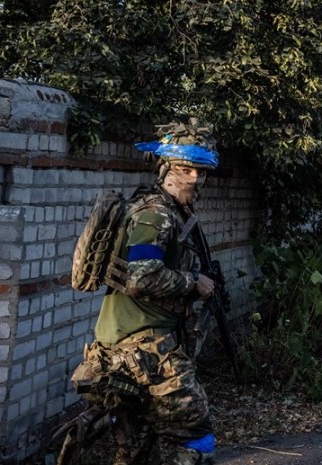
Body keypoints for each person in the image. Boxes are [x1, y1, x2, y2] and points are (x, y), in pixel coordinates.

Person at [71, 119, 219, 465]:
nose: (194, 179)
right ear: (165, 168)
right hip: (146, 350)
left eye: (200, 171)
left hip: (119, 345)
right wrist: (193, 282)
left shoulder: (157, 209)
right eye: (185, 169)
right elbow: (140, 277)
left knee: (135, 448)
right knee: (198, 436)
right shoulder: (156, 215)